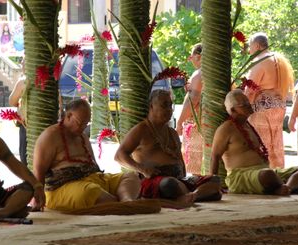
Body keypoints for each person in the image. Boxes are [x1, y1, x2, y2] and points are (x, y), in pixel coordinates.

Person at [32, 99, 142, 212]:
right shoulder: (50, 136)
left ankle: (126, 201)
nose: (83, 128)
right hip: (64, 189)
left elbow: (93, 164)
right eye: (80, 123)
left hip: (94, 180)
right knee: (90, 192)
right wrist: (38, 198)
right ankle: (118, 204)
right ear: (69, 116)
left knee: (130, 177)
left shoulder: (82, 136)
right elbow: (38, 171)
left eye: (86, 124)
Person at [115, 89, 221, 203]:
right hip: (156, 181)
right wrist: (142, 169)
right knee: (169, 185)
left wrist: (183, 177)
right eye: (164, 105)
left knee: (214, 180)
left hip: (179, 180)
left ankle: (192, 195)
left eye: (170, 105)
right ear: (151, 106)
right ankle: (195, 194)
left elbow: (180, 159)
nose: (169, 110)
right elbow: (119, 156)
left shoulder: (172, 132)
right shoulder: (141, 129)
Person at [210, 89, 298, 195]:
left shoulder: (248, 125)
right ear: (233, 110)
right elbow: (215, 156)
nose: (249, 105)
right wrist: (213, 185)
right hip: (241, 176)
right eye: (244, 104)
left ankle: (285, 188)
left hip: (263, 171)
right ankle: (285, 186)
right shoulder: (226, 128)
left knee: (290, 171)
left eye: (248, 102)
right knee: (268, 175)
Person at [244, 32, 295, 168]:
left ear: (257, 45)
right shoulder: (279, 60)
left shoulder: (259, 61)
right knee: (275, 144)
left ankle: (262, 176)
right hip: (279, 107)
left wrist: (240, 108)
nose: (249, 50)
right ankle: (277, 174)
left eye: (250, 46)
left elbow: (249, 90)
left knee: (261, 144)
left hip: (262, 109)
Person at [176, 43, 204, 175]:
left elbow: (192, 100)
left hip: (199, 123)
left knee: (197, 164)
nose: (190, 59)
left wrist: (179, 122)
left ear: (198, 57)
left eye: (191, 56)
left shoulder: (199, 74)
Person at [9, 58, 27, 166]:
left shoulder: (23, 82)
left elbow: (12, 101)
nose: (21, 65)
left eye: (23, 62)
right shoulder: (51, 80)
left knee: (25, 155)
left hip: (26, 125)